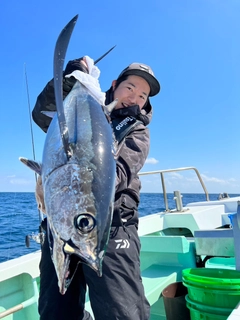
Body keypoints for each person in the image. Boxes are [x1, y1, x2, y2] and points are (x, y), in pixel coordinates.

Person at [32, 56, 160, 320]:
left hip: (109, 228)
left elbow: (120, 172)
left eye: (143, 95)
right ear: (114, 85)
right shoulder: (83, 106)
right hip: (61, 225)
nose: (135, 97)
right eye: (130, 88)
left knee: (121, 312)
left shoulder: (137, 131)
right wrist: (71, 80)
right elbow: (42, 114)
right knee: (55, 311)